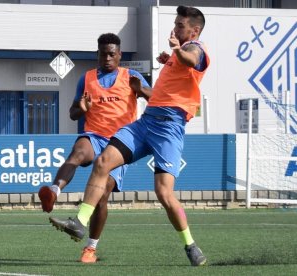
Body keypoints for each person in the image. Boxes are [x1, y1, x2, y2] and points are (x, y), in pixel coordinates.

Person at [49, 6, 209, 266]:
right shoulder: (176, 54)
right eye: (176, 24)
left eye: (181, 25)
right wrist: (169, 57)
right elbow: (168, 83)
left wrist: (177, 51)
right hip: (146, 124)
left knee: (164, 193)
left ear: (195, 30)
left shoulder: (197, 47)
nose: (176, 29)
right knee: (102, 163)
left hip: (169, 128)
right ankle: (79, 223)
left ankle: (190, 245)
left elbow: (192, 58)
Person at [38, 33, 151, 263]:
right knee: (78, 152)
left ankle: (90, 248)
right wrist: (81, 107)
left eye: (112, 54)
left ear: (119, 55)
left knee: (102, 196)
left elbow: (158, 100)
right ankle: (53, 191)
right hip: (94, 135)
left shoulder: (132, 77)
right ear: (97, 55)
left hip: (120, 143)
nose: (107, 58)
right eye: (102, 54)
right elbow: (73, 114)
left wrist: (142, 90)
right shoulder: (86, 78)